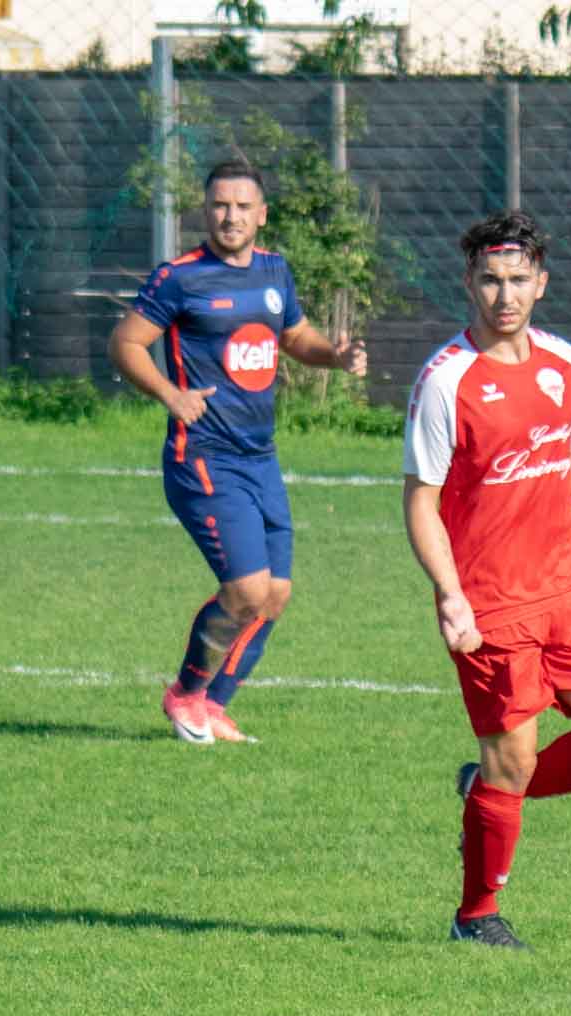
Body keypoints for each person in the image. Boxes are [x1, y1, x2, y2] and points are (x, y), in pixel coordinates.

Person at [402, 211, 571, 951]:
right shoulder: (447, 380)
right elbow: (420, 501)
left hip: (567, 594)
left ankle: (486, 790)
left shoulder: (562, 362)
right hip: (491, 605)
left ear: (541, 284)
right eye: (491, 280)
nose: (505, 295)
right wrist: (449, 593)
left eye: (518, 279)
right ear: (469, 283)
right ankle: (475, 916)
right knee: (514, 756)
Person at [110, 160, 368, 746]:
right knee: (247, 591)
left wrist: (334, 356)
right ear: (205, 211)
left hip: (260, 457)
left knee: (275, 595)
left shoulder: (275, 270)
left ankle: (213, 705)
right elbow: (124, 343)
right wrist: (170, 394)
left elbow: (294, 336)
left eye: (243, 206)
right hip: (203, 457)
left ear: (262, 215)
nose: (231, 216)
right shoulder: (180, 278)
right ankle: (184, 694)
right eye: (221, 205)